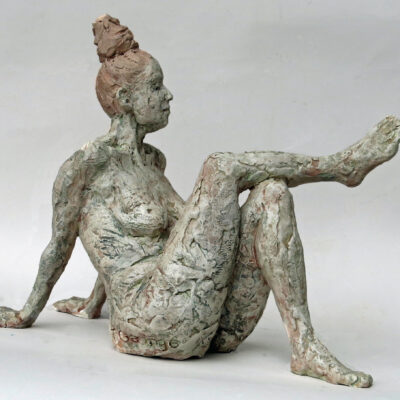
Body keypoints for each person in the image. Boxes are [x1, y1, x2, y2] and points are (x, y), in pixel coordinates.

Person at [0, 15, 399, 388]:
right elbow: (62, 243)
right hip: (148, 322)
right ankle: (340, 167)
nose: (168, 95)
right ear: (125, 97)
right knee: (220, 166)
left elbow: (159, 238)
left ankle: (305, 347)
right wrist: (25, 313)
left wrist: (92, 302)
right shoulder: (85, 167)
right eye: (156, 87)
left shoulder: (152, 163)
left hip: (212, 323)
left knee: (271, 194)